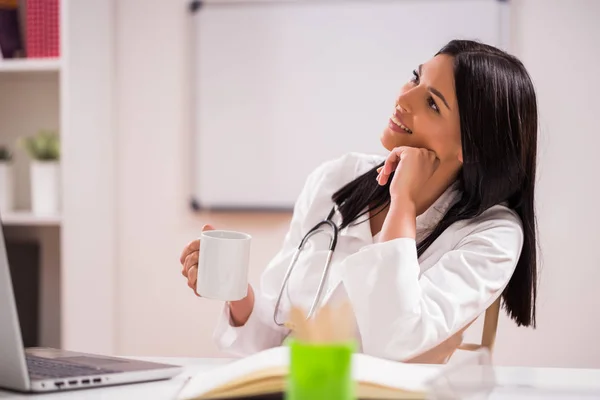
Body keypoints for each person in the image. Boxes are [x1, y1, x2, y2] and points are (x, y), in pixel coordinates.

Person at [179, 40, 538, 362]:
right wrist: (235, 289)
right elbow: (277, 334)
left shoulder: (494, 235)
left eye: (431, 103)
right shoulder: (338, 177)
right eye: (415, 78)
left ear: (472, 145)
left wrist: (403, 203)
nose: (402, 99)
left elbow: (397, 341)